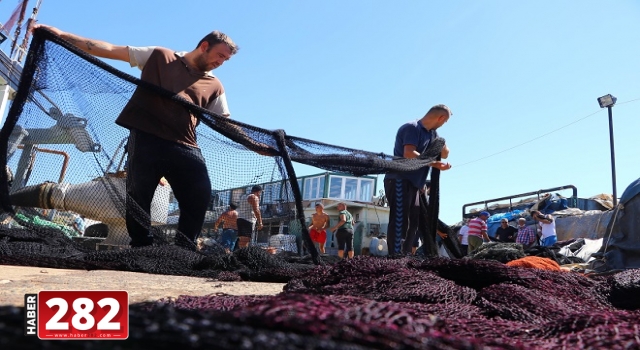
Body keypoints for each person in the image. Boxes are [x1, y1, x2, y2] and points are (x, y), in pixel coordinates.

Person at [31, 24, 271, 250]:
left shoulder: (214, 84)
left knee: (200, 194)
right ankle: (142, 247)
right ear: (204, 46)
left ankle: (184, 248)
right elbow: (109, 49)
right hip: (147, 139)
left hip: (185, 145)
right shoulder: (159, 56)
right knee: (139, 194)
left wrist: (252, 144)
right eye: (220, 55)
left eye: (226, 60)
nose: (221, 62)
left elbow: (223, 122)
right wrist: (61, 34)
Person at [383, 105, 452, 255]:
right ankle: (395, 256)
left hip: (414, 184)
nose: (443, 124)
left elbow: (445, 154)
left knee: (413, 222)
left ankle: (405, 255)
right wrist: (433, 163)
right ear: (440, 118)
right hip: (399, 179)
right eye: (445, 121)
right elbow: (408, 153)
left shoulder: (432, 134)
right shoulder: (411, 128)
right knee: (401, 220)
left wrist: (440, 141)